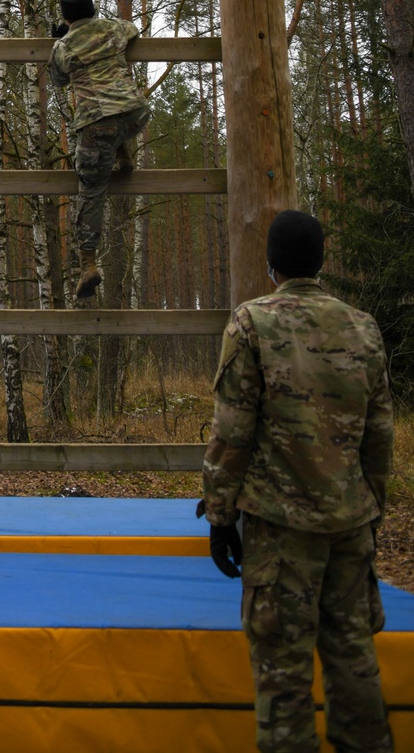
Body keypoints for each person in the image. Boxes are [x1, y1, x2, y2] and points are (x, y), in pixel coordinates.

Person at [201, 210, 395, 753]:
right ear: (321, 261)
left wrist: (219, 516)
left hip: (281, 529)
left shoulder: (252, 322)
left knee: (283, 675)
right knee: (354, 659)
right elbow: (380, 434)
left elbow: (232, 430)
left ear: (271, 266)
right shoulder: (362, 326)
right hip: (350, 523)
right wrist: (371, 509)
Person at [48, 0, 149, 301]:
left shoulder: (64, 46)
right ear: (92, 9)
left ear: (65, 17)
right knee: (112, 130)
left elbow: (59, 79)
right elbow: (132, 30)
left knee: (91, 190)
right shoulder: (113, 27)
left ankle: (88, 266)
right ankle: (124, 155)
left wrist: (61, 37)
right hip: (136, 113)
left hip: (98, 124)